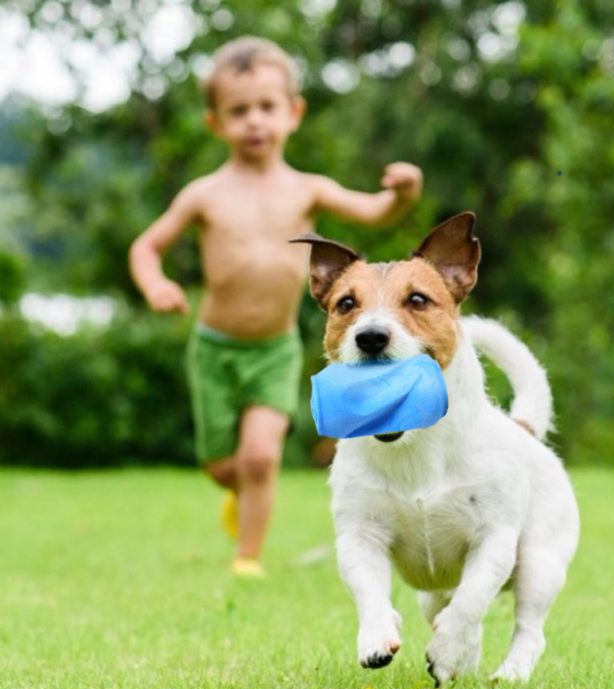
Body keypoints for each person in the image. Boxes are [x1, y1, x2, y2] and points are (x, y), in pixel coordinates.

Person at [129, 36, 423, 578]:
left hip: (275, 349)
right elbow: (146, 246)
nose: (254, 121)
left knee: (261, 457)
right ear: (216, 123)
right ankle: (232, 489)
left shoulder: (306, 189)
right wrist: (156, 285)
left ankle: (247, 558)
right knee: (225, 467)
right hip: (214, 348)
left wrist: (403, 194)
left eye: (266, 107)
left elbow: (375, 211)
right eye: (238, 111)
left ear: (293, 113)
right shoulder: (204, 194)